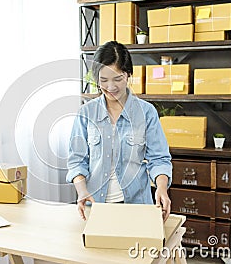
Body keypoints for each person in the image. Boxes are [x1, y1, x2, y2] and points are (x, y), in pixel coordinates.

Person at [66, 41, 172, 221]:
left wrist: (161, 187)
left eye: (117, 79)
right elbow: (77, 160)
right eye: (103, 80)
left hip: (137, 207)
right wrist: (82, 190)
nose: (111, 87)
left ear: (128, 75)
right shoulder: (86, 113)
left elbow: (159, 158)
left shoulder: (146, 112)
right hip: (96, 207)